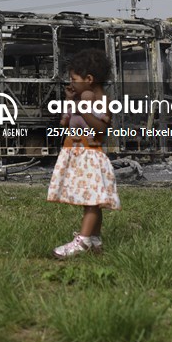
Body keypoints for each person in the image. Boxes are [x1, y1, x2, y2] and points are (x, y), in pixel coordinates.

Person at [47, 48, 121, 258]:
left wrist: (82, 109)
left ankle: (83, 241)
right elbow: (65, 124)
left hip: (91, 157)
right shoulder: (80, 99)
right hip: (77, 153)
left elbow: (101, 129)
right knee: (91, 201)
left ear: (89, 79)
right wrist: (71, 102)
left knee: (91, 202)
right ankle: (95, 239)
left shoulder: (102, 101)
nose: (70, 83)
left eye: (74, 79)